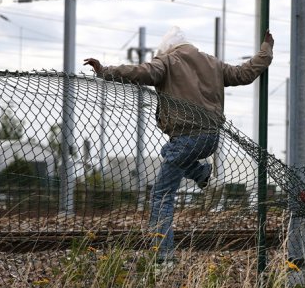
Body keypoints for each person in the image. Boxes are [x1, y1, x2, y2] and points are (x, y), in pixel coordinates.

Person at [84, 26, 274, 267]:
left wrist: (105, 71)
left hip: (186, 136)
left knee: (161, 195)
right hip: (211, 138)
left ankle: (163, 257)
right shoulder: (212, 63)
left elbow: (143, 72)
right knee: (168, 152)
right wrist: (266, 49)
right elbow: (244, 73)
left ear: (167, 48)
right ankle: (203, 174)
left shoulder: (168, 61)